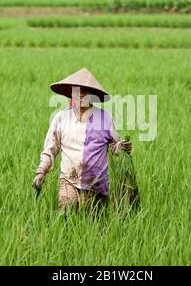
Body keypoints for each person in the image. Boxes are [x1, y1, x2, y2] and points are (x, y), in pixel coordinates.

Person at [32, 68, 132, 212]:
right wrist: (41, 171)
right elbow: (50, 149)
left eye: (86, 91)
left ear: (93, 95)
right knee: (66, 216)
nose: (81, 95)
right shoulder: (61, 118)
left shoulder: (105, 118)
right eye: (77, 91)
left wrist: (122, 147)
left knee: (95, 225)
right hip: (69, 181)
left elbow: (114, 146)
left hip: (97, 185)